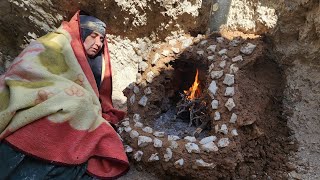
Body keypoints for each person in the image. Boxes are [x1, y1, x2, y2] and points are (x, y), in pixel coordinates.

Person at [0, 10, 129, 179]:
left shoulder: (95, 64)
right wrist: (69, 93)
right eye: (94, 36)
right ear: (81, 34)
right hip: (31, 90)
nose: (98, 43)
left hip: (64, 100)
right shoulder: (56, 41)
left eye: (102, 39)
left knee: (82, 106)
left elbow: (94, 96)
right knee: (79, 102)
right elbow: (25, 69)